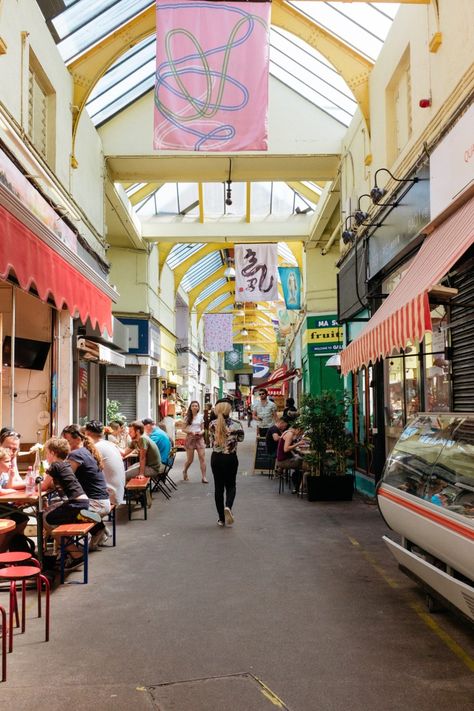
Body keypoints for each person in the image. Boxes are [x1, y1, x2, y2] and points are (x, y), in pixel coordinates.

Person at [61, 424, 111, 547]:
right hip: (104, 502)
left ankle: (71, 552)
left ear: (78, 439)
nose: (66, 444)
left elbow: (65, 479)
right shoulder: (88, 451)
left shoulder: (76, 455)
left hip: (96, 505)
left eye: (67, 441)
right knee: (68, 504)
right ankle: (99, 527)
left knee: (55, 515)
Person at [209, 400, 244, 527]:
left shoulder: (212, 424)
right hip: (230, 458)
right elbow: (241, 439)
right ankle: (228, 506)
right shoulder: (237, 424)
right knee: (231, 485)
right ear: (229, 410)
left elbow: (210, 440)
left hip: (216, 458)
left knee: (218, 488)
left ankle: (221, 519)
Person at [84, 420, 126, 506]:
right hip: (118, 492)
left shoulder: (95, 448)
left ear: (87, 434)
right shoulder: (109, 444)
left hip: (110, 495)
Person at [0, 446, 29, 553]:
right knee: (8, 519)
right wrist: (14, 492)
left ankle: (5, 550)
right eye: (7, 461)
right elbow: (2, 491)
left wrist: (11, 476)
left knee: (22, 518)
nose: (10, 464)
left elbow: (8, 487)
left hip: (2, 505)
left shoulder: (2, 474)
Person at [182, 401, 208, 483]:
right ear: (190, 407)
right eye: (193, 406)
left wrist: (201, 432)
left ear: (198, 407)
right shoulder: (187, 417)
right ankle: (185, 471)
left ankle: (204, 477)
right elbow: (183, 429)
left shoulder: (201, 417)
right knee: (190, 460)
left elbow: (203, 429)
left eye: (196, 406)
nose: (194, 407)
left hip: (199, 438)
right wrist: (190, 432)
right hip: (190, 439)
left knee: (202, 458)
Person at [276, 425, 306, 494]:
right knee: (305, 465)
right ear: (298, 429)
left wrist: (295, 453)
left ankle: (298, 487)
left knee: (300, 461)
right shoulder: (290, 434)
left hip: (281, 460)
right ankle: (299, 488)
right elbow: (286, 449)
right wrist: (298, 444)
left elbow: (287, 448)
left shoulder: (288, 432)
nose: (300, 435)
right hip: (283, 461)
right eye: (301, 433)